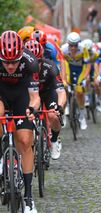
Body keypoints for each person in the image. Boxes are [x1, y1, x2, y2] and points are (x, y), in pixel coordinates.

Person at [0, 31, 40, 212]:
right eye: (6, 62)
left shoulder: (30, 62)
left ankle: (29, 197)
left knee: (24, 140)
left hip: (21, 95)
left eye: (14, 62)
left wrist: (32, 109)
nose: (10, 66)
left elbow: (35, 97)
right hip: (1, 93)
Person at [24, 40, 67, 160]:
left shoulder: (50, 67)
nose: (33, 64)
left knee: (53, 115)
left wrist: (60, 106)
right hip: (30, 94)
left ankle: (54, 140)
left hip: (48, 92)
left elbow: (61, 91)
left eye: (37, 61)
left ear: (42, 58)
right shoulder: (22, 68)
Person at [61, 32, 91, 130]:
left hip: (80, 70)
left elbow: (88, 65)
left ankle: (82, 117)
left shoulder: (83, 49)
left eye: (75, 45)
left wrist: (85, 77)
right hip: (68, 69)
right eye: (71, 45)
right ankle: (63, 115)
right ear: (68, 44)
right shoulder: (63, 49)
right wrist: (63, 79)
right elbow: (62, 65)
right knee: (64, 89)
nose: (73, 48)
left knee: (79, 91)